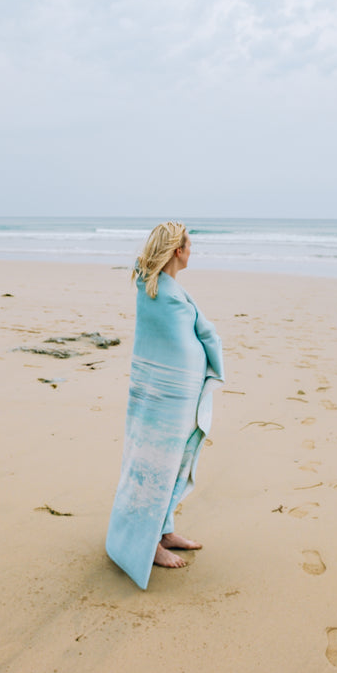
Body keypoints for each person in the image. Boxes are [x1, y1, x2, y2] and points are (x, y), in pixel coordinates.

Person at [106, 221, 224, 589]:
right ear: (178, 251)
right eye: (190, 245)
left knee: (177, 462)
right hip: (163, 398)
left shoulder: (159, 287)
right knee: (155, 466)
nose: (193, 251)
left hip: (175, 395)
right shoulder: (159, 293)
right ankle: (149, 544)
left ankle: (165, 530)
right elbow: (174, 343)